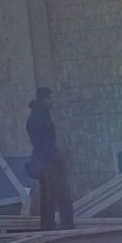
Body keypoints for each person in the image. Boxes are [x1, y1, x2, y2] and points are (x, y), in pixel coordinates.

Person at [25, 86, 75, 230]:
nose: (52, 101)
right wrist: (54, 155)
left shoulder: (41, 115)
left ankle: (51, 228)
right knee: (58, 196)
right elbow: (40, 143)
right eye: (50, 98)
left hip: (47, 160)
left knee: (50, 197)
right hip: (47, 162)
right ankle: (64, 228)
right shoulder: (38, 118)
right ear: (43, 99)